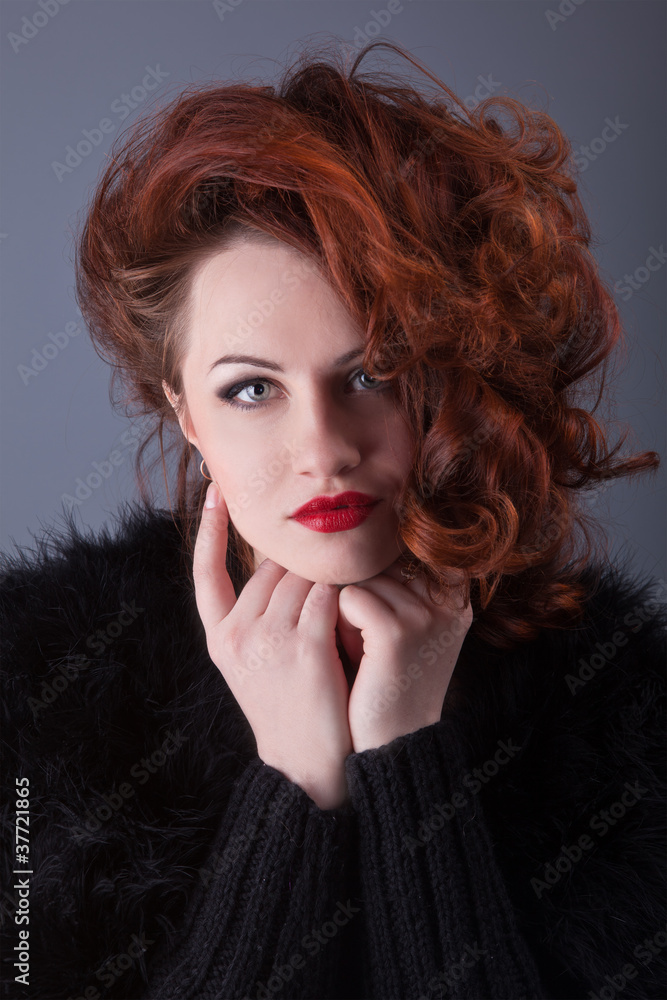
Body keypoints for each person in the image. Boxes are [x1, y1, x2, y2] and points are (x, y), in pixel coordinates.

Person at [1, 37, 665, 1000]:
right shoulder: (35, 684)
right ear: (185, 412)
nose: (322, 447)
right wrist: (293, 782)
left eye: (372, 374)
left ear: (452, 377)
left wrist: (408, 757)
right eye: (250, 389)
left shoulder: (625, 707)